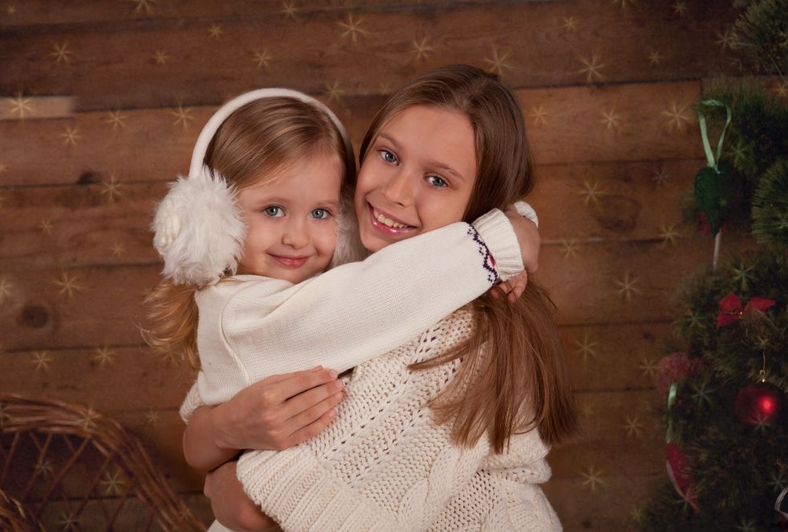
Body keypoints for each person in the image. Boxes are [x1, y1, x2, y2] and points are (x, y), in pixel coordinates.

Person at [189, 65, 578, 531]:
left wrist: (224, 480)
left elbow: (266, 510)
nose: (395, 192)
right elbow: (207, 417)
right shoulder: (346, 276)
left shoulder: (454, 331)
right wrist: (223, 429)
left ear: (481, 204)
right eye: (389, 156)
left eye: (438, 180)